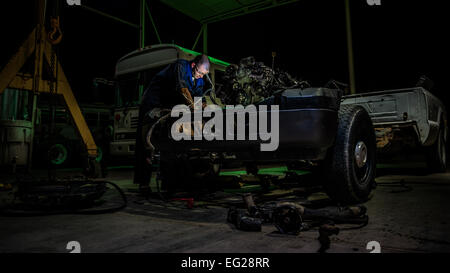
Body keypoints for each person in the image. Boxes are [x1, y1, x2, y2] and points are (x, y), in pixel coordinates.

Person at [133, 54, 211, 193]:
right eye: (200, 73)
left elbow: (199, 97)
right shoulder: (181, 66)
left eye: (204, 74)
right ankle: (143, 183)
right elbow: (182, 89)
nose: (201, 76)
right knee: (146, 141)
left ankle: (168, 181)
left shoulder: (200, 79)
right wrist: (193, 106)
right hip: (153, 102)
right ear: (193, 66)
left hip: (170, 104)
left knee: (171, 139)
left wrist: (202, 109)